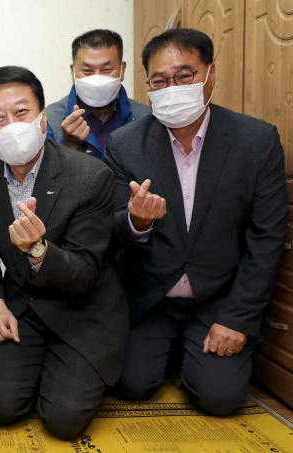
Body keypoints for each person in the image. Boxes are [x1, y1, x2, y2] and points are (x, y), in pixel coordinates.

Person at [107, 29, 288, 416]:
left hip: (219, 300)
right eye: (159, 80)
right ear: (149, 86)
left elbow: (267, 238)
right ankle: (170, 350)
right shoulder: (125, 144)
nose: (172, 86)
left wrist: (238, 318)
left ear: (211, 74)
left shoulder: (257, 141)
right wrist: (136, 222)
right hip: (151, 297)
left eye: (185, 75)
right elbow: (112, 228)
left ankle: (195, 352)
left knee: (219, 398)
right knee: (129, 384)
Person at [0, 66, 128, 439]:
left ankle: (73, 370)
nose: (11, 125)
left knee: (64, 421)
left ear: (42, 117)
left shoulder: (90, 176)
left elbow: (86, 270)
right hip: (22, 308)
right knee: (1, 408)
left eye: (21, 112)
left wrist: (38, 251)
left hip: (83, 311)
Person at [46, 29, 150, 160]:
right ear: (73, 72)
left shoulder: (145, 118)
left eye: (107, 69)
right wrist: (67, 145)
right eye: (87, 70)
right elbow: (45, 177)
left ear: (122, 70)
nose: (97, 80)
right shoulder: (50, 120)